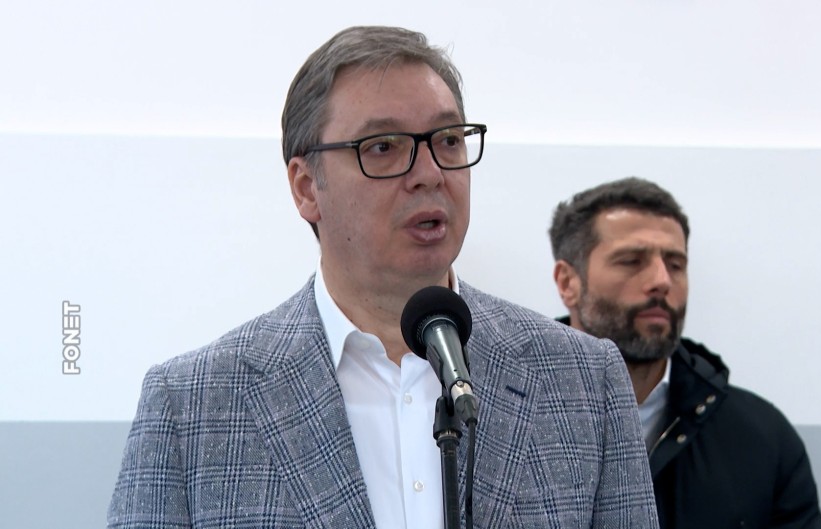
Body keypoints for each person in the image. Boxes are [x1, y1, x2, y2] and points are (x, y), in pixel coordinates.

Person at [107, 27, 658, 528]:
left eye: (448, 139)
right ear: (306, 187)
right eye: (383, 148)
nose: (430, 174)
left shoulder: (584, 380)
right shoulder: (191, 404)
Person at [549, 177, 821, 529]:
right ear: (568, 283)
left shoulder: (762, 439)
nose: (661, 280)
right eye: (631, 261)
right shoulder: (502, 416)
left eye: (675, 264)